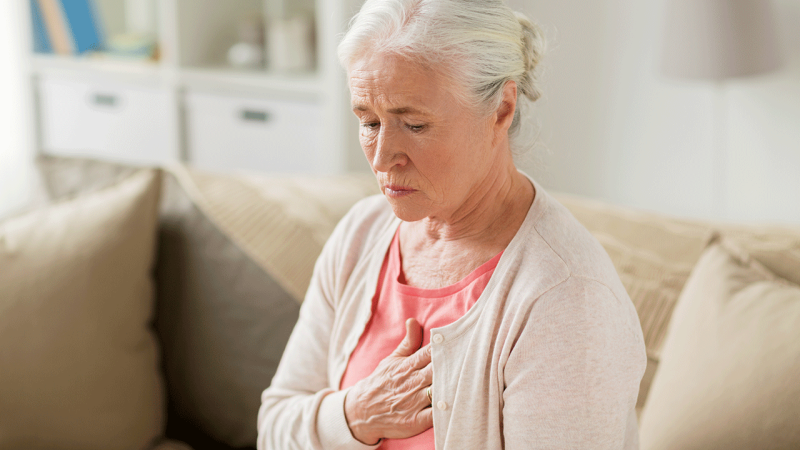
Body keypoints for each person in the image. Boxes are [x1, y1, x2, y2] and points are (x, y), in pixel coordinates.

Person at [257, 0, 646, 448]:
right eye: (368, 121)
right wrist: (357, 414)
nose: (382, 158)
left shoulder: (565, 296)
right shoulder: (360, 234)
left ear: (500, 109)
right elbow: (274, 428)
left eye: (415, 125)